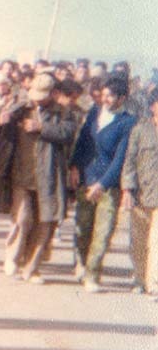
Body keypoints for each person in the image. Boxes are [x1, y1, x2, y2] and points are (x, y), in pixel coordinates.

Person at [0, 74, 77, 283]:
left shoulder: (64, 113)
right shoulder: (21, 109)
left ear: (54, 93)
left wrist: (42, 128)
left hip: (50, 176)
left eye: (42, 96)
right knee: (23, 219)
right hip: (22, 174)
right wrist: (0, 123)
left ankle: (32, 268)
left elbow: (68, 133)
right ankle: (13, 257)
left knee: (45, 224)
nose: (37, 100)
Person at [69, 74, 136, 292]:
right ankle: (81, 262)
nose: (105, 99)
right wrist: (74, 166)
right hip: (86, 178)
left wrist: (103, 184)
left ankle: (92, 274)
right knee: (83, 228)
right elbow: (82, 143)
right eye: (104, 95)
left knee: (103, 232)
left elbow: (120, 158)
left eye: (110, 96)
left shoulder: (128, 122)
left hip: (109, 185)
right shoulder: (94, 113)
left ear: (122, 98)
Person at [121, 87, 158, 298]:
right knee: (139, 241)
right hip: (141, 194)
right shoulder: (140, 130)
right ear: (153, 106)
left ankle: (154, 282)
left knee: (156, 241)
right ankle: (140, 278)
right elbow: (130, 161)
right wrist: (127, 188)